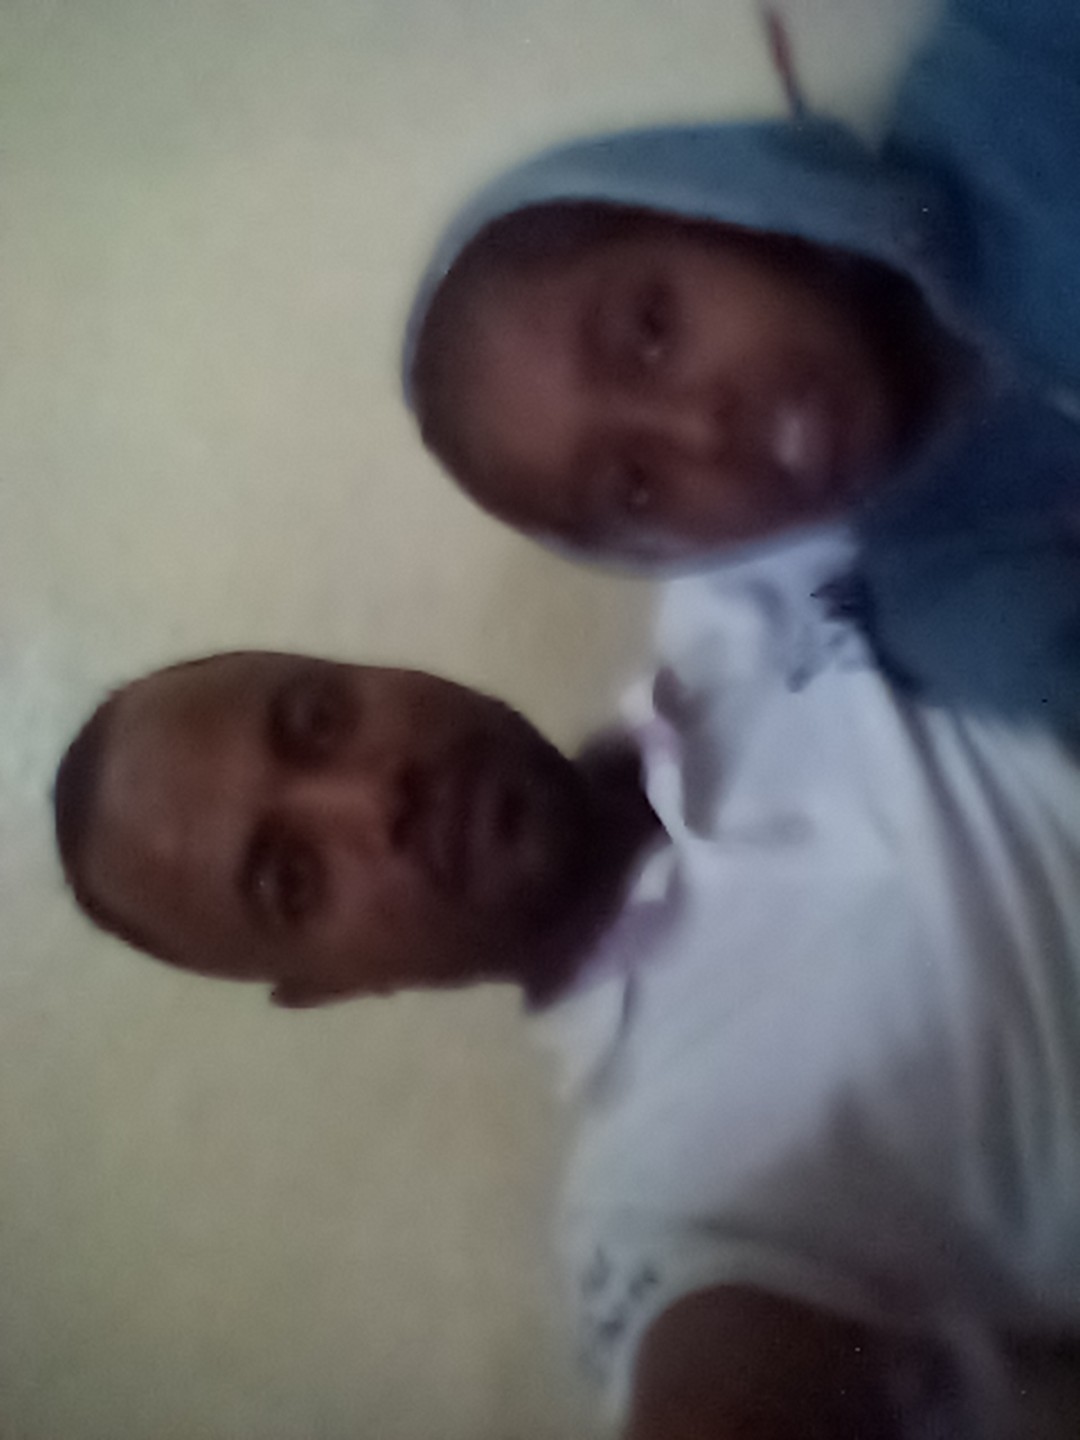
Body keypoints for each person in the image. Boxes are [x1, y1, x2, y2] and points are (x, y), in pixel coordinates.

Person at [53, 543, 1080, 1437]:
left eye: (318, 719)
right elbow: (730, 1383)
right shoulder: (661, 1193)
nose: (374, 796)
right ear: (333, 986)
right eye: (293, 878)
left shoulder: (728, 577)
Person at [401, 0, 1080, 726]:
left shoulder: (1014, 67)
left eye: (652, 332)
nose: (700, 429)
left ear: (726, 210)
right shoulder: (959, 599)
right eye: (636, 485)